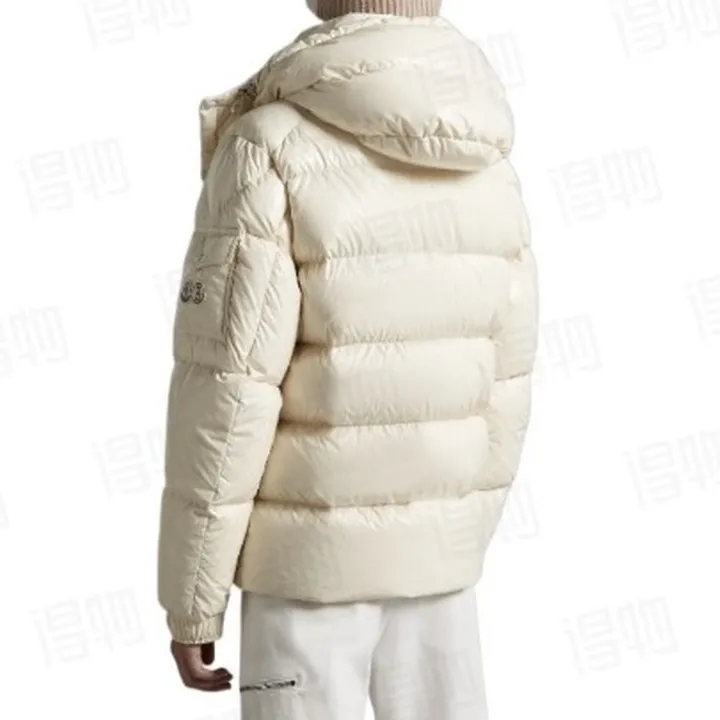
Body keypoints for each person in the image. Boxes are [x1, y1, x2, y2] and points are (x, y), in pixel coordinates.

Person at [157, 1, 538, 717]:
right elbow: (507, 380)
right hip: (441, 568)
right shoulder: (485, 150)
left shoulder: (269, 142)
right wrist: (455, 535)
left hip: (303, 573)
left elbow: (229, 389)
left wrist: (192, 597)